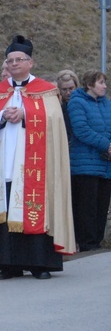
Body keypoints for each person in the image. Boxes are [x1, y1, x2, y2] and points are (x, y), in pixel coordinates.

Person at [0, 35, 75, 280]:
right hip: (4, 162)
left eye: (19, 59)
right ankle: (9, 264)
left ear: (30, 62)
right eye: (10, 60)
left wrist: (25, 115)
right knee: (4, 206)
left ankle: (40, 264)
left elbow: (54, 124)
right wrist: (2, 117)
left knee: (35, 206)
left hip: (35, 166)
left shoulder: (47, 91)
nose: (14, 64)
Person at [68, 70, 111, 252]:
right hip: (84, 163)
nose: (105, 86)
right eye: (101, 83)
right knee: (87, 205)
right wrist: (106, 145)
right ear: (90, 85)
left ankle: (97, 241)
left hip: (104, 162)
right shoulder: (76, 103)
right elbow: (81, 130)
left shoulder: (106, 104)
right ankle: (86, 242)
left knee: (101, 204)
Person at [57, 69, 79, 142]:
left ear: (76, 87)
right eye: (64, 89)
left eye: (71, 89)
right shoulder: (57, 107)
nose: (68, 93)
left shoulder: (83, 104)